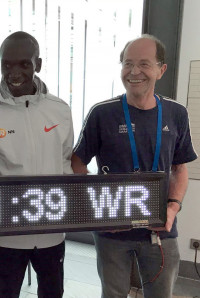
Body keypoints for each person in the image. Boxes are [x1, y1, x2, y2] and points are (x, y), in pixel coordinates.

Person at [72, 34, 197, 298]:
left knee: (160, 294)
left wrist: (173, 207)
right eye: (127, 63)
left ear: (161, 70)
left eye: (144, 63)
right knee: (113, 294)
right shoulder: (102, 113)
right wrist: (100, 208)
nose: (134, 71)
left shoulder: (176, 113)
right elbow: (77, 163)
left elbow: (180, 169)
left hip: (161, 229)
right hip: (112, 232)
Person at [0, 31, 74, 298]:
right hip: (4, 236)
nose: (14, 72)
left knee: (52, 293)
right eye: (7, 64)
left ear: (37, 64)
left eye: (24, 64)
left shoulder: (60, 110)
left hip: (51, 232)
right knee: (6, 293)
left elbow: (64, 164)